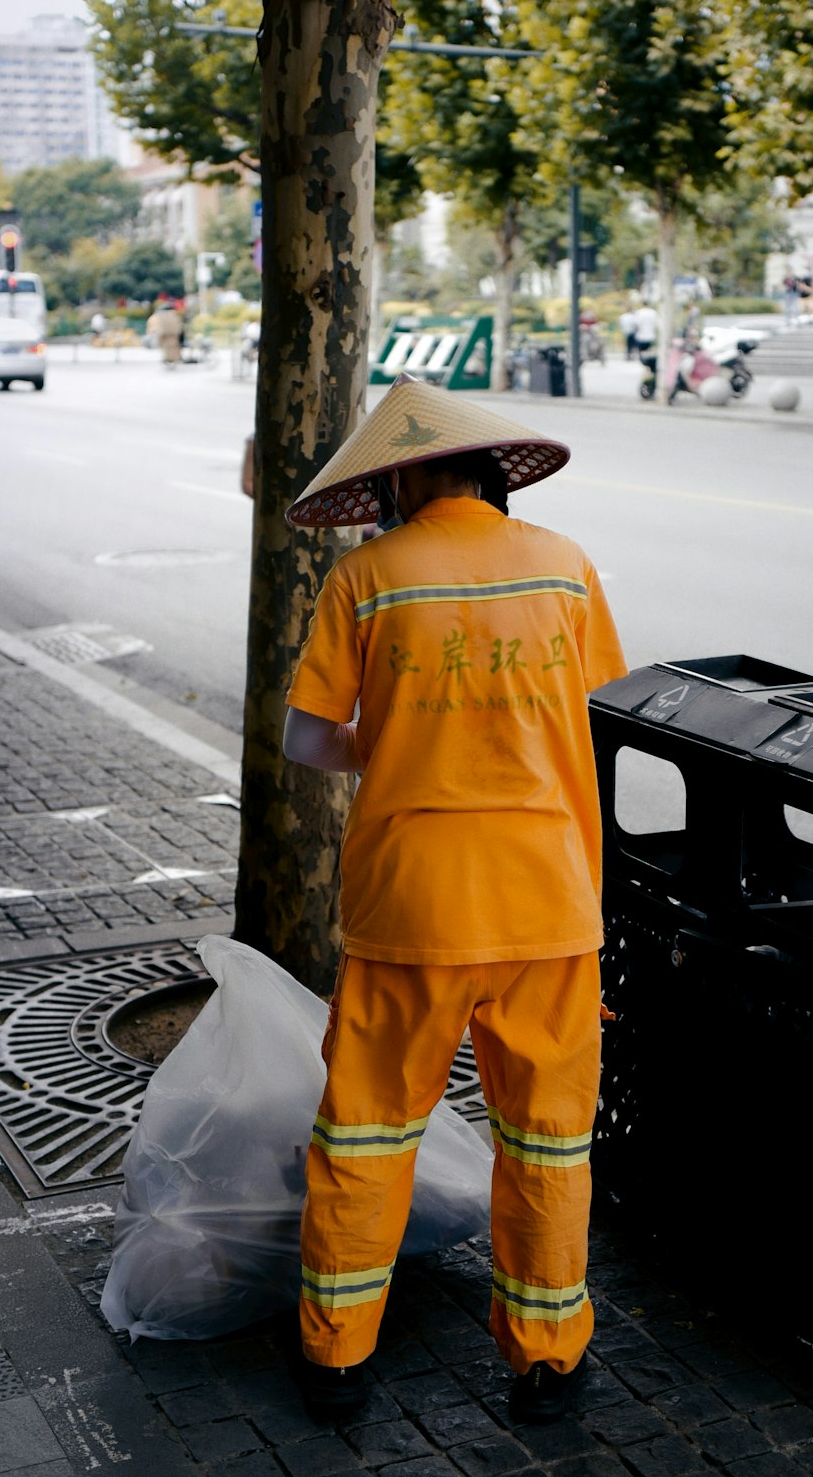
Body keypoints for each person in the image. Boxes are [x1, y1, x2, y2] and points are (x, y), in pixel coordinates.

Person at [282, 374, 628, 1427]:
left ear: (406, 478)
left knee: (368, 1132)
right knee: (548, 1138)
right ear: (489, 472)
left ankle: (338, 1358)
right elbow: (597, 711)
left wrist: (382, 742)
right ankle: (547, 1359)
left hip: (411, 904)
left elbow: (305, 739)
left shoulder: (370, 578)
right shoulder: (566, 569)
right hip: (547, 900)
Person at [146, 299, 183, 367]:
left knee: (169, 348)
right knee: (171, 348)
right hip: (170, 336)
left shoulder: (159, 317)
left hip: (166, 336)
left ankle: (170, 359)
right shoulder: (173, 316)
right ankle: (171, 359)